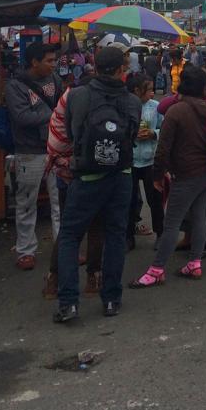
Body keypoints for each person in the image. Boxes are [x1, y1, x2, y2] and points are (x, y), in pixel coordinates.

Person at [53, 47, 141, 323]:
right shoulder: (132, 101)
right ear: (120, 70)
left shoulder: (77, 96)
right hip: (121, 176)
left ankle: (69, 304)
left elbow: (71, 132)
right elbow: (133, 134)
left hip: (86, 176)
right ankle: (112, 299)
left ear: (94, 66)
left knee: (70, 236)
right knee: (114, 235)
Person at [130, 66, 206, 288]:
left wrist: (157, 175)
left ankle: (157, 269)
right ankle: (195, 262)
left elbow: (163, 149)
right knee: (198, 216)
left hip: (186, 174)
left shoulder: (176, 111)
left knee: (171, 223)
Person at [41, 74, 105, 300]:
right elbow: (82, 136)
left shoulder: (69, 98)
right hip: (78, 170)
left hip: (66, 169)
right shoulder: (80, 100)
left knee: (70, 229)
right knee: (89, 227)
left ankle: (54, 280)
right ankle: (90, 279)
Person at [6, 42, 64, 271]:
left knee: (60, 201)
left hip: (55, 148)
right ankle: (25, 251)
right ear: (34, 62)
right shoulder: (15, 86)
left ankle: (63, 247)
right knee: (26, 203)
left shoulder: (55, 80)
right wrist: (53, 115)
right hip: (29, 151)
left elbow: (63, 104)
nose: (54, 65)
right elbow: (21, 117)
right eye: (49, 61)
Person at [127, 73, 162, 246]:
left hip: (151, 161)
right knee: (129, 200)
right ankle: (128, 237)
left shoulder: (156, 107)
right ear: (136, 90)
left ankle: (160, 235)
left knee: (155, 200)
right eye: (149, 90)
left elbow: (165, 129)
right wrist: (132, 136)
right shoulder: (125, 106)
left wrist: (153, 133)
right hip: (131, 161)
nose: (152, 93)